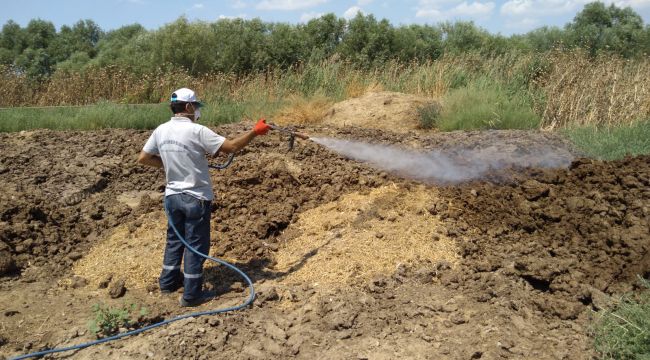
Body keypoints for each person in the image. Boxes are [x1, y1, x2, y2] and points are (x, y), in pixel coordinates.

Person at [137, 88, 270, 307]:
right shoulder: (197, 131)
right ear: (188, 107)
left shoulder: (161, 130)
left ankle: (168, 283)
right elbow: (232, 147)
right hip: (195, 197)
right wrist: (255, 131)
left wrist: (168, 165)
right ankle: (191, 295)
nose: (197, 111)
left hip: (172, 197)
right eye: (196, 106)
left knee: (174, 240)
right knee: (195, 246)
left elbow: (143, 158)